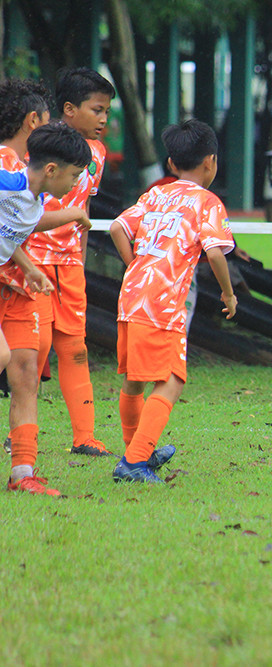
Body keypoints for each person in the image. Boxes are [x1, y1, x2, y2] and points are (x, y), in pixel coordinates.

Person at [109, 119, 237, 483]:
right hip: (162, 303)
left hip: (131, 295)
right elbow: (214, 253)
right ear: (211, 161)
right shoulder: (207, 202)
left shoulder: (156, 194)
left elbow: (118, 227)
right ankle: (134, 462)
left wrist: (134, 265)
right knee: (172, 378)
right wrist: (228, 293)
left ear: (170, 164)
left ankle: (138, 453)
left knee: (135, 380)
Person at [25, 67, 116, 457]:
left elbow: (86, 204)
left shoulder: (97, 153)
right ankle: (21, 434)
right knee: (36, 345)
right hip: (33, 263)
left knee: (75, 348)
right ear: (69, 109)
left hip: (70, 267)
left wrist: (79, 251)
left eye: (107, 112)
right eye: (97, 110)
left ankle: (86, 437)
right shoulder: (35, 149)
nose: (103, 119)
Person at [0, 122, 92, 496]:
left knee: (24, 372)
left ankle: (23, 473)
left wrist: (29, 267)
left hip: (16, 285)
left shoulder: (32, 201)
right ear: (51, 169)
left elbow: (15, 229)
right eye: (73, 175)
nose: (74, 183)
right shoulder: (9, 183)